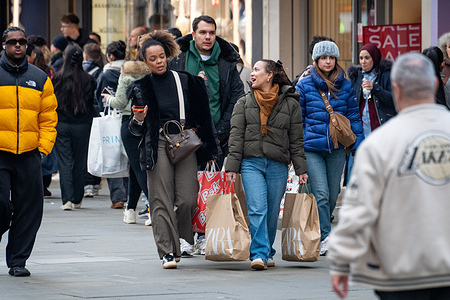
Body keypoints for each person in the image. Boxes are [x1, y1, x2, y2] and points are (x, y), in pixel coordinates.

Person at [329, 52, 450, 300]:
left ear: (395, 88)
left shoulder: (380, 144)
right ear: (435, 84)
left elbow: (359, 207)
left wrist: (341, 260)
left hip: (400, 270)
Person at [127, 30, 219, 269]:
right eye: (153, 58)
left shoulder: (186, 80)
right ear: (145, 62)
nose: (159, 62)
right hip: (156, 142)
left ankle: (180, 239)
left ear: (167, 55)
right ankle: (167, 251)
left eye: (161, 56)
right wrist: (138, 119)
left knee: (188, 199)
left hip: (185, 142)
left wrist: (208, 148)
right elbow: (134, 130)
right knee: (160, 199)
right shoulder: (141, 87)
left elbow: (204, 117)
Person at [168, 15, 244, 255]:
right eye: (203, 33)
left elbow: (236, 98)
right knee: (185, 193)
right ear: (193, 34)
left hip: (215, 138)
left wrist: (220, 131)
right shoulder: (178, 57)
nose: (208, 37)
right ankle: (184, 237)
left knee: (210, 191)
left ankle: (202, 236)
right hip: (183, 137)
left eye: (211, 32)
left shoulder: (226, 60)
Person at [225, 59, 308, 270]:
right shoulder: (243, 103)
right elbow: (235, 136)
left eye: (256, 70)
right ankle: (259, 253)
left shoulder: (291, 104)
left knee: (271, 212)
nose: (252, 74)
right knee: (257, 208)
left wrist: (301, 169)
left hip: (278, 164)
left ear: (269, 75)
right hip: (251, 163)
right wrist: (232, 167)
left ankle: (268, 250)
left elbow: (296, 140)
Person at [295, 41, 364, 256]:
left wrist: (357, 146)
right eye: (323, 58)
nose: (328, 61)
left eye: (331, 58)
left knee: (333, 193)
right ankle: (325, 236)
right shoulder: (304, 85)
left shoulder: (344, 85)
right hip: (312, 148)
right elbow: (298, 119)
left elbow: (353, 115)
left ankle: (322, 226)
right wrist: (297, 149)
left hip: (336, 148)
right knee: (322, 193)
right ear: (316, 60)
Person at [0, 27, 58, 277]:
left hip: (29, 153)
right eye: (13, 42)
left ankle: (18, 260)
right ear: (4, 45)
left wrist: (43, 148)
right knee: (2, 205)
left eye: (22, 42)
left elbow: (49, 118)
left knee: (30, 208)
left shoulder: (40, 77)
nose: (18, 46)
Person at [102, 35, 151, 224]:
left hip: (128, 121)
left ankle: (152, 208)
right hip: (150, 121)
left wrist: (108, 99)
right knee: (136, 166)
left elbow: (121, 101)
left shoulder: (128, 70)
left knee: (138, 166)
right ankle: (131, 209)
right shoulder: (155, 72)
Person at [52, 43, 96, 211]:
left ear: (66, 58)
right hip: (83, 125)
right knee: (79, 161)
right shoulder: (89, 79)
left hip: (62, 124)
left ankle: (67, 200)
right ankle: (77, 197)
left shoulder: (57, 78)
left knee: (64, 161)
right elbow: (93, 103)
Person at [95, 40, 128, 209]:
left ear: (110, 56)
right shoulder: (130, 72)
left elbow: (99, 97)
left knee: (112, 155)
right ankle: (130, 194)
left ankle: (118, 197)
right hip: (127, 117)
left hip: (110, 118)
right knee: (128, 157)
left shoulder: (106, 74)